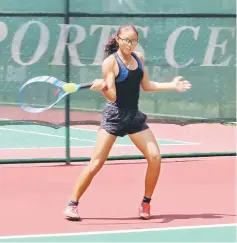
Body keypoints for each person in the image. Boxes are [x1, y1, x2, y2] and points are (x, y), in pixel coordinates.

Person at [64, 24, 191, 221]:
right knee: (96, 164)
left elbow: (147, 86)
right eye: (126, 40)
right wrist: (103, 88)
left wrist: (172, 85)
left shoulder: (138, 58)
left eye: (134, 41)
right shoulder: (110, 63)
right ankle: (73, 204)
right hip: (115, 116)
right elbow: (113, 96)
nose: (130, 44)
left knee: (155, 157)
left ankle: (146, 202)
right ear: (117, 39)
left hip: (133, 116)